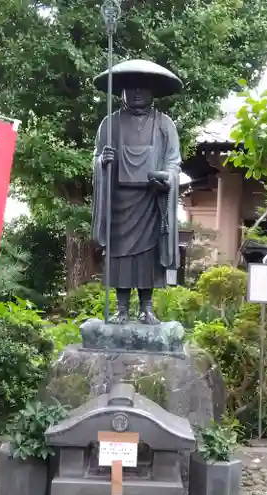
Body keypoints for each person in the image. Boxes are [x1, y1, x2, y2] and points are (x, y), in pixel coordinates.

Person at [92, 60, 182, 325]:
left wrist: (167, 177)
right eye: (131, 87)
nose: (137, 92)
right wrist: (103, 162)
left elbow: (173, 161)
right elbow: (97, 157)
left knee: (147, 256)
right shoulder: (110, 123)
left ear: (153, 91)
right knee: (120, 254)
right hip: (120, 200)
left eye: (143, 87)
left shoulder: (165, 124)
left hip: (150, 201)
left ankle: (147, 306)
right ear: (122, 92)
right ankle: (121, 308)